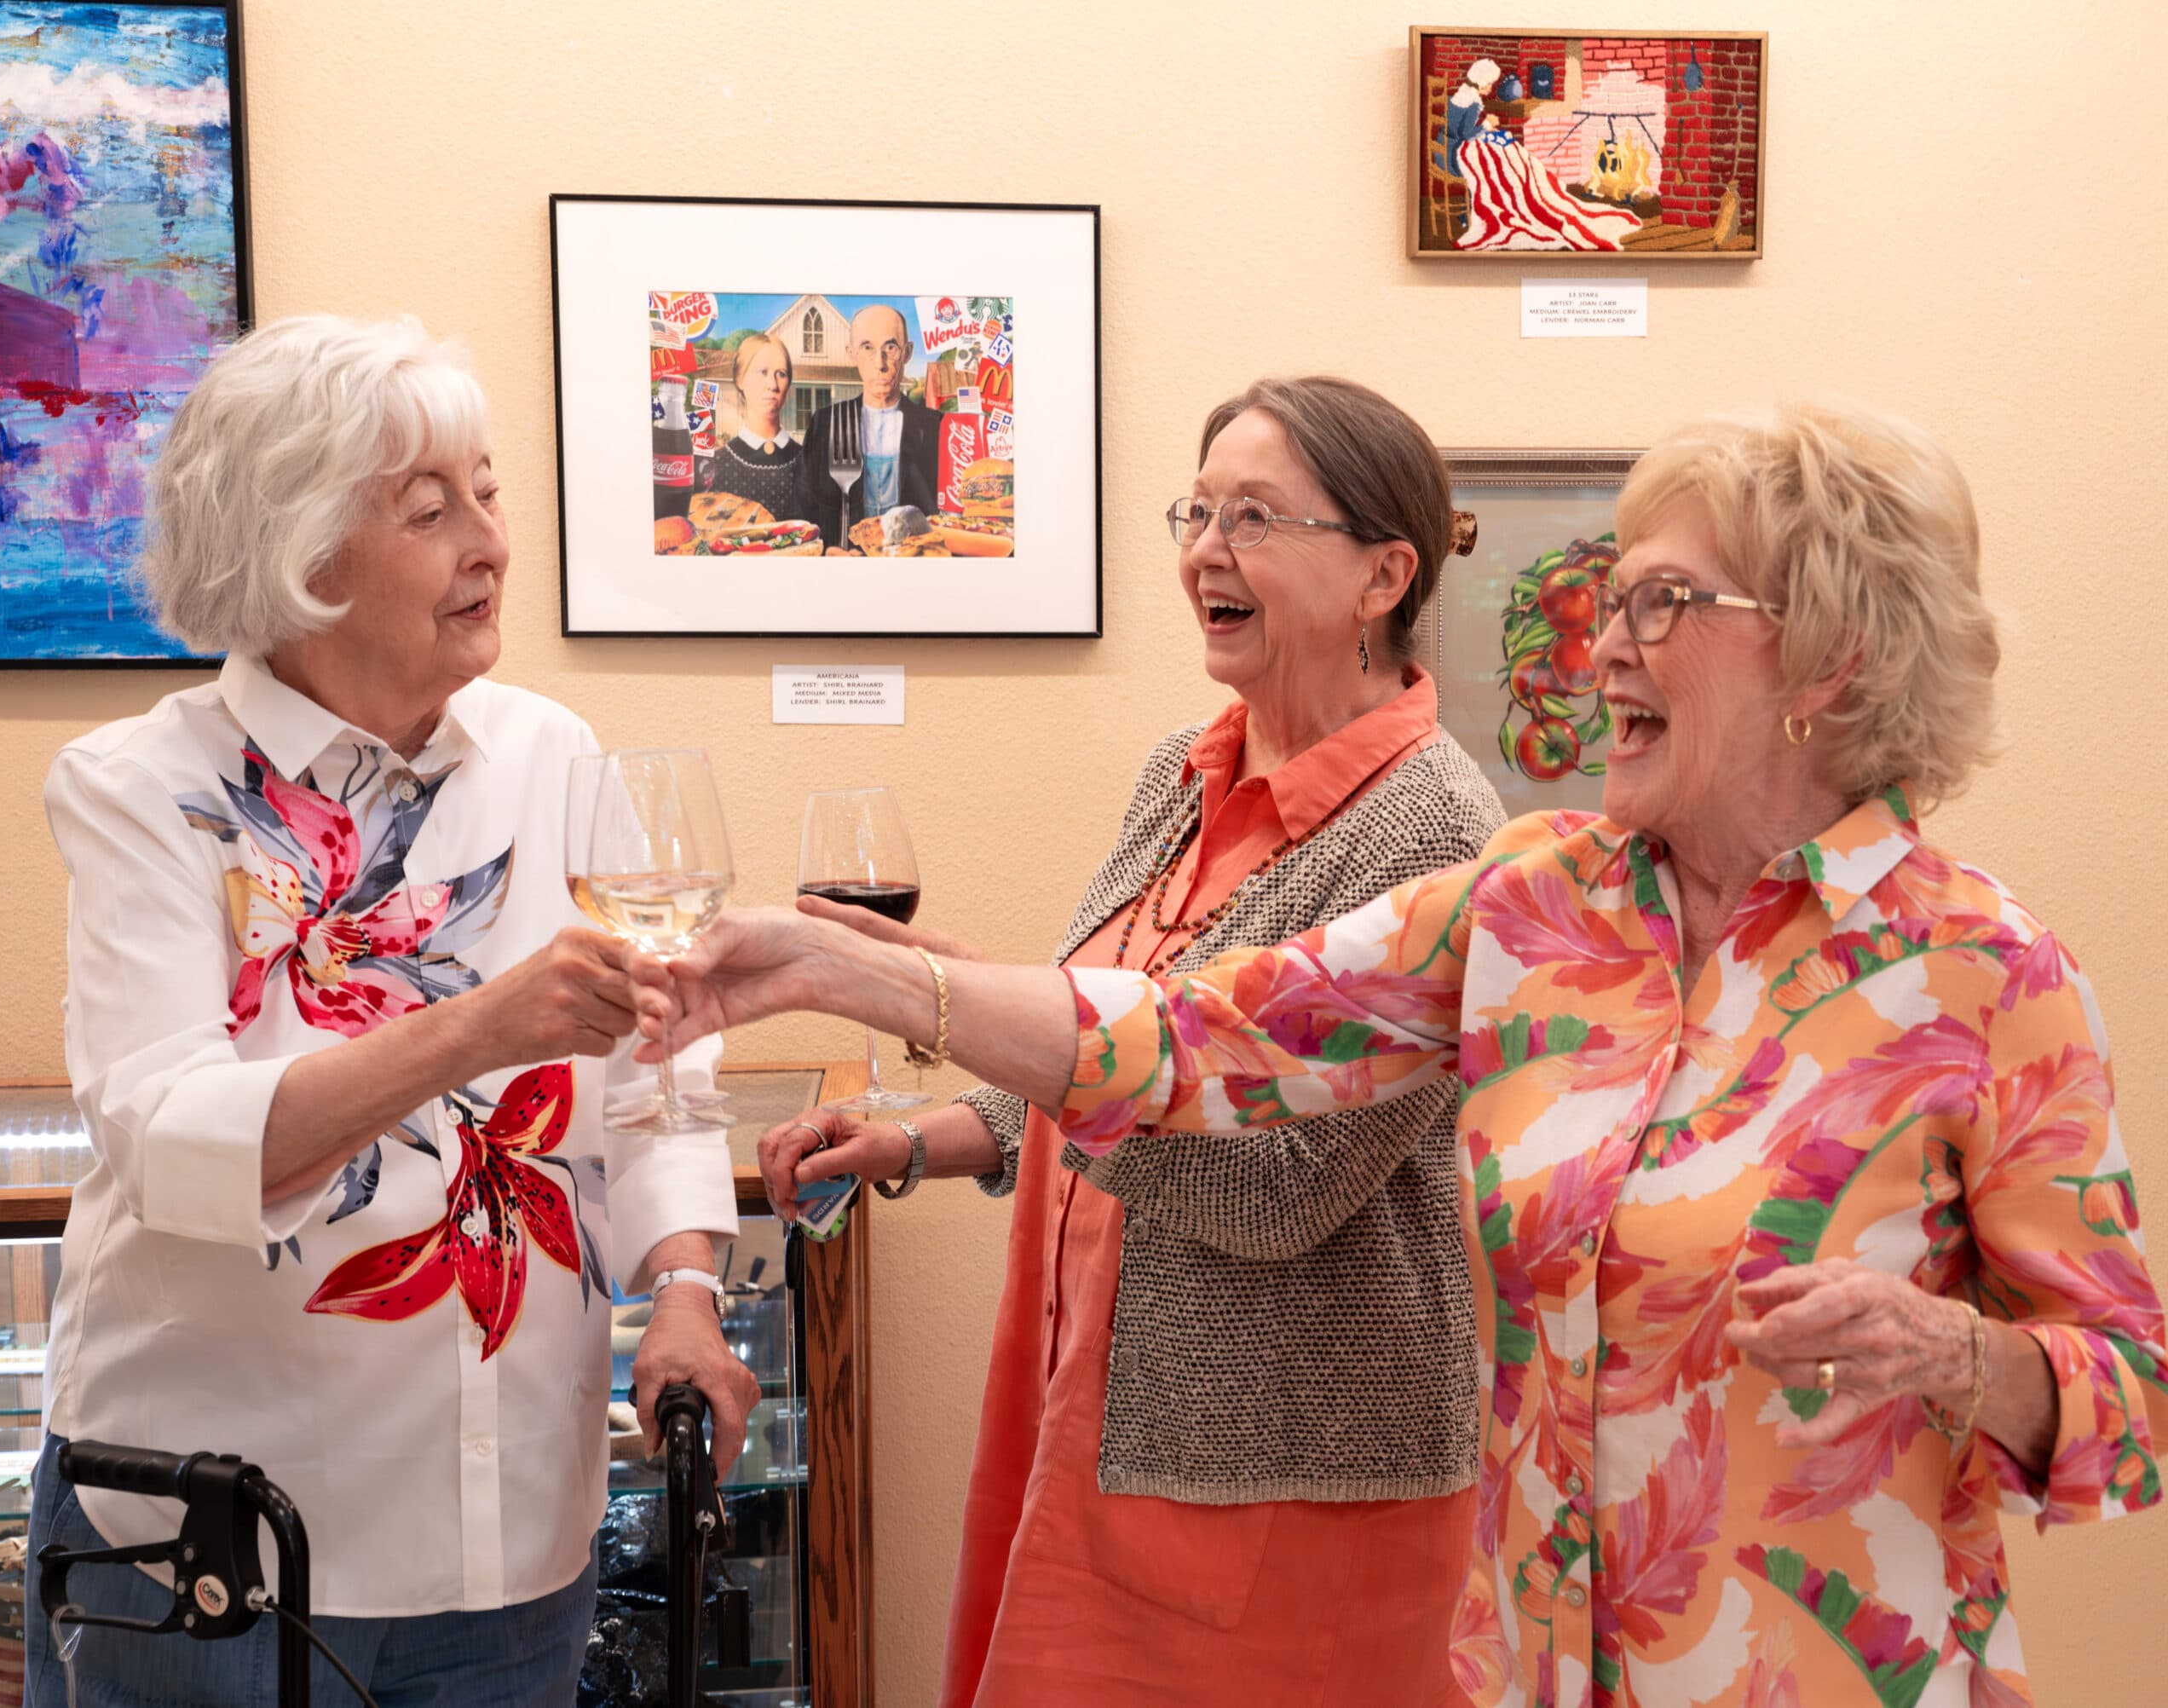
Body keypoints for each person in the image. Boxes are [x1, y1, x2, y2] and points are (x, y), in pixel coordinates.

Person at [635, 398, 2167, 1708]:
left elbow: (2128, 1399)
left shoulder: (1982, 972)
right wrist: (858, 967)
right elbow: (1195, 1036)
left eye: (1657, 609)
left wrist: (1958, 1354)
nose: (1598, 647)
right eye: (1606, 598)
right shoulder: (1534, 899)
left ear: (1828, 660)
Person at [26, 314, 758, 1708]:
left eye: (487, 491)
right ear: (298, 558)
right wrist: (473, 1028)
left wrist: (684, 1286)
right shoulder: (142, 785)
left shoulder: (555, 755)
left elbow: (664, 1069)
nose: (490, 539)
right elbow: (175, 1140)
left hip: (513, 1545)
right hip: (214, 1549)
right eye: (432, 510)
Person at [763, 376, 1502, 1705]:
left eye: (1258, 517)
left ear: (1384, 573)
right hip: (1089, 1401)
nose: (1206, 551)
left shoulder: (1433, 830)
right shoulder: (1186, 768)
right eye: (1199, 509)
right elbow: (1103, 1033)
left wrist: (945, 1002)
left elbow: (1268, 1188)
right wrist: (919, 1138)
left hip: (1279, 1469)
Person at [798, 302, 941, 547]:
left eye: (891, 347)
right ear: (851, 352)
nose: (880, 363)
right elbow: (801, 513)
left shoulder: (936, 428)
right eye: (867, 347)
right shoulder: (824, 424)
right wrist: (827, 553)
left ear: (907, 353)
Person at [698, 331, 804, 521]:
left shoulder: (809, 462)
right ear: (740, 379)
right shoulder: (715, 465)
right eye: (762, 372)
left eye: (781, 374)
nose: (772, 384)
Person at [1439, 57, 1500, 176]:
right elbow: (1466, 135)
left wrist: (1484, 130)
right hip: (1452, 157)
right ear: (1482, 84)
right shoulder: (1473, 103)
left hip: (1441, 146)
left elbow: (1457, 128)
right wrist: (1487, 124)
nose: (1491, 88)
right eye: (1490, 84)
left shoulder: (1456, 97)